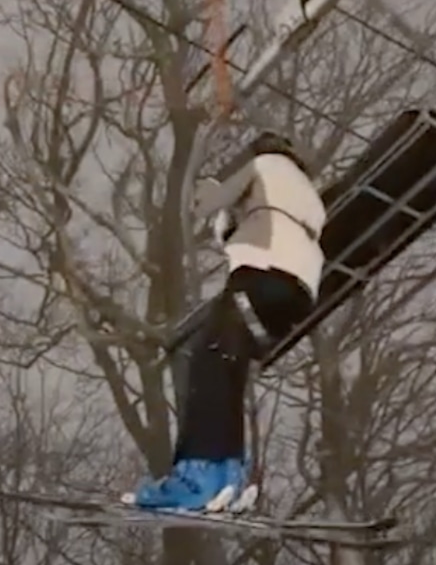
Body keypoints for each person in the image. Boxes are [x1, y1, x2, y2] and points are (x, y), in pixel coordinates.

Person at [127, 131, 327, 512]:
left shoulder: (263, 167)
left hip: (261, 273)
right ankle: (227, 477)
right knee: (225, 366)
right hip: (297, 296)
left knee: (205, 360)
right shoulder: (309, 196)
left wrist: (213, 187)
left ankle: (197, 476)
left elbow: (207, 210)